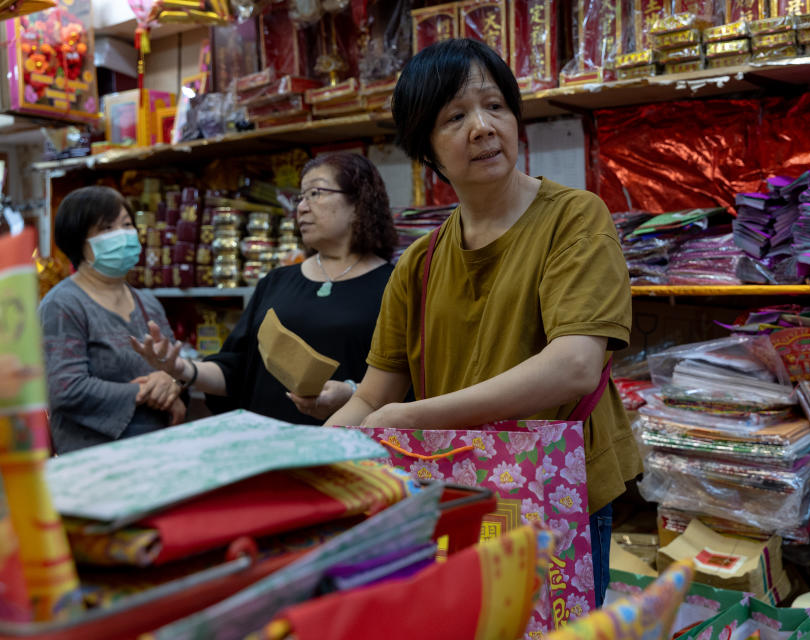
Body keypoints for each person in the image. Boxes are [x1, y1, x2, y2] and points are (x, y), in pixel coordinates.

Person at [319, 39, 640, 606]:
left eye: (495, 106)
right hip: (456, 495)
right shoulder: (418, 264)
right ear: (428, 149)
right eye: (455, 117)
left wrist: (411, 417)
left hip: (553, 492)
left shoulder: (574, 218)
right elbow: (371, 399)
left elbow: (574, 366)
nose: (484, 127)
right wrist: (309, 458)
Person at [131, 152, 398, 424]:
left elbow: (412, 384)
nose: (302, 207)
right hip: (269, 445)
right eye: (300, 197)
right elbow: (236, 372)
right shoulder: (276, 281)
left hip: (350, 449)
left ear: (358, 203)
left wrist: (353, 394)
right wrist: (181, 368)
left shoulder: (395, 285)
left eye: (316, 193)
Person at [39, 186, 185, 454]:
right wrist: (141, 393)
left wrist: (171, 382)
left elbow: (174, 365)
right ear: (78, 241)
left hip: (157, 453)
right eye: (107, 228)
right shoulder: (62, 305)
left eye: (127, 225)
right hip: (94, 459)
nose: (123, 235)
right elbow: (65, 389)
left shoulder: (148, 304)